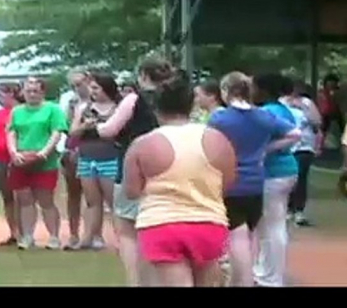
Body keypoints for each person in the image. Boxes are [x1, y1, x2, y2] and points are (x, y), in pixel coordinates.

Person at [124, 75, 237, 287]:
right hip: (209, 222)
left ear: (155, 107)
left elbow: (131, 191)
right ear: (192, 105)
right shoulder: (218, 139)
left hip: (160, 224)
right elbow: (228, 183)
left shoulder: (143, 144)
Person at [207, 71, 300, 287]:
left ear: (226, 91)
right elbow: (295, 133)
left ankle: (245, 281)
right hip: (256, 182)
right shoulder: (263, 116)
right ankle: (244, 280)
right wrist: (264, 150)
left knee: (236, 238)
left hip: (231, 183)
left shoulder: (220, 118)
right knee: (248, 235)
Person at [90, 56, 168, 286]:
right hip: (168, 167)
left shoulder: (135, 99)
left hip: (133, 165)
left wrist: (95, 125)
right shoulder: (174, 98)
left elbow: (109, 130)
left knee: (127, 229)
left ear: (143, 75)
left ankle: (136, 282)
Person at [251, 73, 301, 287]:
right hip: (287, 170)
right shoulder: (283, 110)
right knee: (275, 225)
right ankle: (268, 272)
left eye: (254, 87)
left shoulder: (266, 112)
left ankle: (269, 276)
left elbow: (292, 135)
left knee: (269, 226)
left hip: (272, 173)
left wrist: (264, 151)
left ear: (263, 90)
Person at [8, 77, 68, 250]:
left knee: (46, 199)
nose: (32, 94)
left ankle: (54, 236)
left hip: (44, 161)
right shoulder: (17, 111)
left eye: (36, 91)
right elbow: (12, 132)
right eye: (28, 91)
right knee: (25, 199)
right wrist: (13, 151)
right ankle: (27, 236)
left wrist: (45, 152)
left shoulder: (52, 109)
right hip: (21, 160)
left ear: (43, 92)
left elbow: (57, 132)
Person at [69, 72, 120, 250]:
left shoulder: (118, 107)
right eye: (92, 88)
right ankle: (89, 238)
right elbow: (73, 132)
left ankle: (122, 239)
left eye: (96, 88)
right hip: (87, 158)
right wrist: (84, 126)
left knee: (114, 202)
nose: (92, 91)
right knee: (92, 201)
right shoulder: (84, 108)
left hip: (110, 157)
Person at [58, 69, 91, 249]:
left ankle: (92, 233)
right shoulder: (70, 101)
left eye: (79, 84)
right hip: (71, 148)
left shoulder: (98, 101)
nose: (77, 88)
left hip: (91, 149)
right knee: (73, 194)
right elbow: (66, 126)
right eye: (73, 85)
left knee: (93, 196)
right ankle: (73, 233)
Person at [282, 78, 321, 227]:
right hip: (286, 145)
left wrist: (303, 108)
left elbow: (317, 122)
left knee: (301, 176)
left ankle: (299, 210)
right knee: (288, 177)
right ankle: (288, 208)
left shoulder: (307, 103)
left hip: (304, 146)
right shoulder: (281, 102)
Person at [0, 82, 24, 246]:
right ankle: (14, 232)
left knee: (21, 196)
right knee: (7, 196)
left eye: (1, 95)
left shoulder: (22, 111)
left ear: (12, 94)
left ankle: (25, 232)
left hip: (17, 157)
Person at [317, 73, 345, 151]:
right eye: (329, 84)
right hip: (326, 112)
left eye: (333, 84)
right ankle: (319, 146)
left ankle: (343, 144)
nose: (331, 86)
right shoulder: (323, 92)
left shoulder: (337, 92)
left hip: (335, 110)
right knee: (323, 129)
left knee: (342, 127)